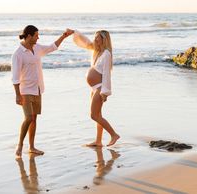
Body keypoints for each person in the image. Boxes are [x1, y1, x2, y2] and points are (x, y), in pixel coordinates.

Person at [12, 25, 71, 158]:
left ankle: (32, 147)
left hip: (37, 88)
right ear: (28, 36)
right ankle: (20, 145)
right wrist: (17, 95)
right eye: (36, 35)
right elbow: (15, 77)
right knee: (28, 118)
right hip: (25, 90)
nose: (38, 37)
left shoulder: (37, 48)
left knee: (34, 119)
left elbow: (52, 47)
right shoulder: (18, 54)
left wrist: (64, 36)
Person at [66, 28, 120, 147]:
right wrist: (74, 32)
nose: (95, 39)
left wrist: (105, 92)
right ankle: (98, 141)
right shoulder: (97, 51)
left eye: (98, 37)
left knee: (94, 115)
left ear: (104, 39)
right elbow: (85, 42)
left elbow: (106, 74)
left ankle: (114, 135)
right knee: (98, 115)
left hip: (100, 88)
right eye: (95, 36)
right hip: (94, 88)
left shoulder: (106, 53)